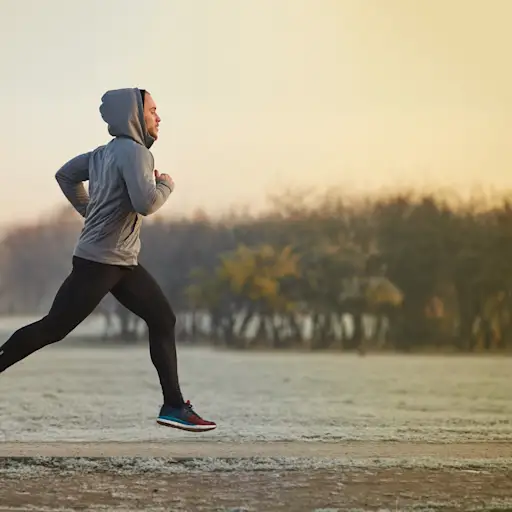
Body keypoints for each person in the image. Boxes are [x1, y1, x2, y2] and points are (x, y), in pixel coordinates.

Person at [0, 88, 217, 433]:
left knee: (163, 318)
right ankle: (173, 404)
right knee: (53, 327)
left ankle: (173, 405)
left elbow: (65, 175)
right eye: (152, 111)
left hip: (121, 262)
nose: (158, 118)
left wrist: (89, 210)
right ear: (134, 115)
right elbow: (146, 202)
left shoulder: (103, 154)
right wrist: (165, 185)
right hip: (101, 261)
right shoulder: (136, 153)